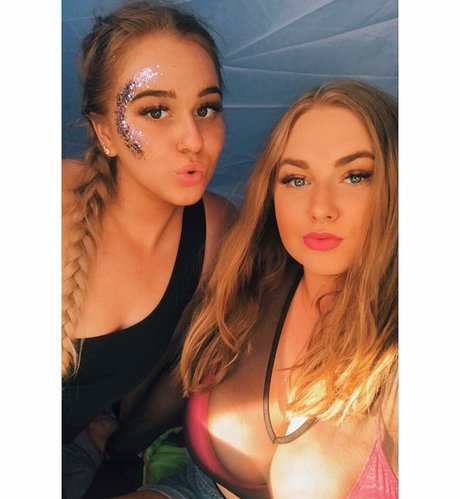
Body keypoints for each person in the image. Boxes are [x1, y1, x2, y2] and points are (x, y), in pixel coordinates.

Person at [125, 79, 398, 499]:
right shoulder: (251, 282)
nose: (320, 208)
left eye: (355, 176)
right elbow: (177, 386)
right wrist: (107, 447)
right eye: (296, 179)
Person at [61, 2, 237, 498]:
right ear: (104, 131)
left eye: (206, 108)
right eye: (155, 111)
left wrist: (117, 445)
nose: (193, 139)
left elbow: (184, 371)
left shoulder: (217, 232)